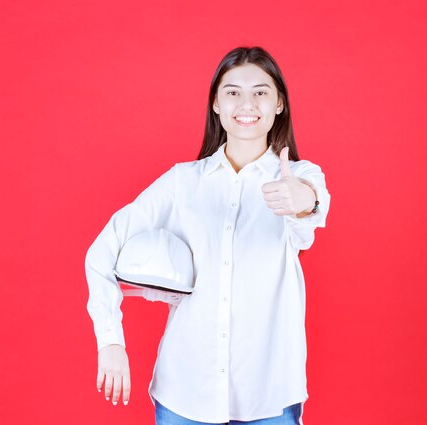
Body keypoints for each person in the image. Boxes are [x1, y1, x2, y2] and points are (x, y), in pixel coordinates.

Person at [85, 46, 331, 424]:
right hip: (185, 393)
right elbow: (102, 249)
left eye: (261, 92)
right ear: (215, 104)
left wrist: (302, 200)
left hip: (269, 396)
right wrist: (111, 341)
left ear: (279, 103)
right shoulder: (182, 182)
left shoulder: (300, 176)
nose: (246, 103)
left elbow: (311, 209)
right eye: (232, 91)